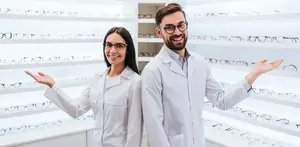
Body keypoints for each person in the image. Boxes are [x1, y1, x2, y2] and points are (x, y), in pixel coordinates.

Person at [141, 3, 283, 147]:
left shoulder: (199, 63)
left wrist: (254, 74)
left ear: (186, 26)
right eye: (169, 27)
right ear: (159, 32)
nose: (177, 32)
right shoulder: (152, 71)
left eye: (181, 25)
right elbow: (154, 127)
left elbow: (222, 101)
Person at [25, 27, 143, 147]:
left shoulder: (135, 82)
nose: (112, 50)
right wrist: (52, 85)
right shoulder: (97, 79)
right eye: (108, 45)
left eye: (119, 45)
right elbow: (76, 109)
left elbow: (135, 131)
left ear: (128, 49)